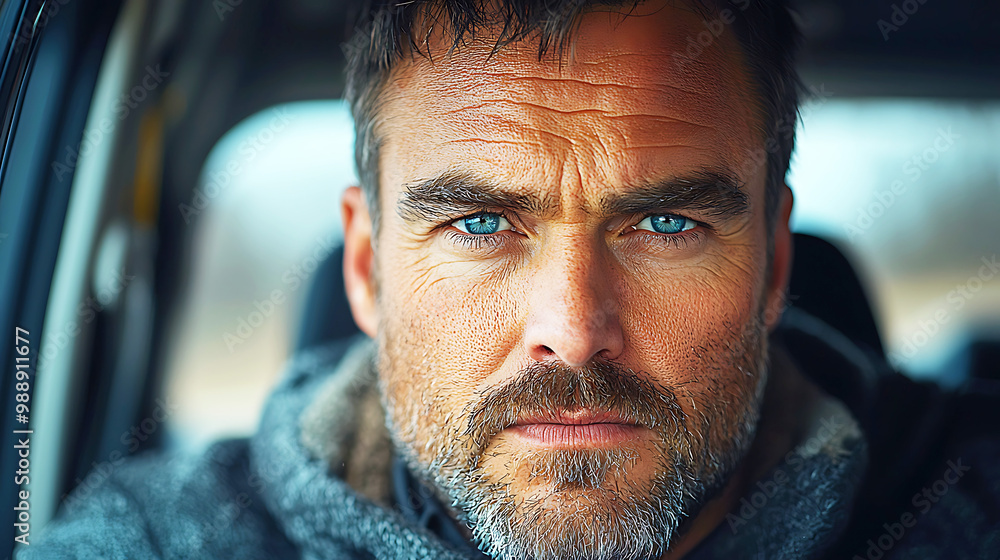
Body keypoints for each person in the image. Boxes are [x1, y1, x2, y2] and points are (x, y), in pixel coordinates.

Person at [24, 1, 999, 559]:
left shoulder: (966, 501)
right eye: (481, 222)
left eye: (665, 223)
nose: (572, 330)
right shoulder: (157, 542)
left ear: (774, 265)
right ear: (366, 265)